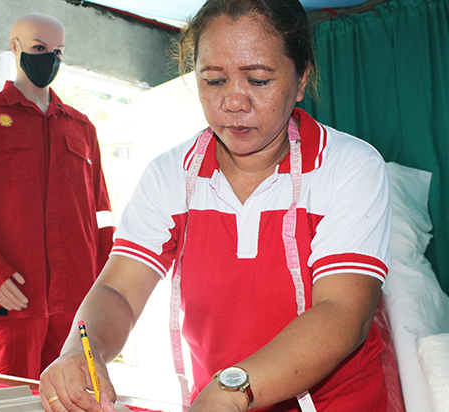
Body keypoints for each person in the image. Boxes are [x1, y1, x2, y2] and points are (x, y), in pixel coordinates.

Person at [38, 0, 391, 411]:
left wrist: (231, 389)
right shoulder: (171, 175)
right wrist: (83, 350)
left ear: (301, 79)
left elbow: (342, 312)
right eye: (214, 80)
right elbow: (119, 289)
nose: (234, 102)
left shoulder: (349, 166)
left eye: (258, 80)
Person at [0, 13, 115, 380]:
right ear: (15, 47)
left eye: (58, 52)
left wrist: (104, 290)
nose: (50, 58)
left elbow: (102, 217)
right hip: (15, 295)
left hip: (77, 301)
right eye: (39, 48)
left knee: (76, 397)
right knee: (14, 399)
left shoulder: (81, 128)